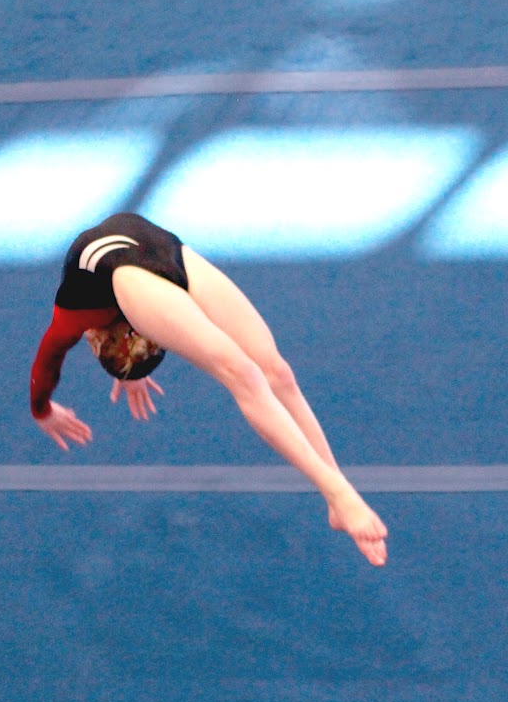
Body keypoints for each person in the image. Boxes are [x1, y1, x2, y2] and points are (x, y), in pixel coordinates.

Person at [29, 212, 388, 566]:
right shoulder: (92, 310)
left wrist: (42, 410)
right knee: (255, 373)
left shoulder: (73, 315)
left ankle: (336, 495)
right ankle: (338, 492)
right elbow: (49, 363)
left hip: (145, 263)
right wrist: (51, 403)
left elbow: (47, 364)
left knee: (268, 373)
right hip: (157, 247)